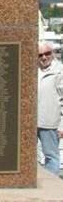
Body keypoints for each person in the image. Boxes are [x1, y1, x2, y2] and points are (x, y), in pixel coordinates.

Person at [37, 41, 63, 175]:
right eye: (40, 55)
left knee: (51, 156)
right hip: (29, 122)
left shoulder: (60, 72)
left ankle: (52, 187)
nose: (44, 57)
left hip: (49, 123)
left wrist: (61, 127)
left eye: (47, 54)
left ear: (52, 54)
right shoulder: (31, 71)